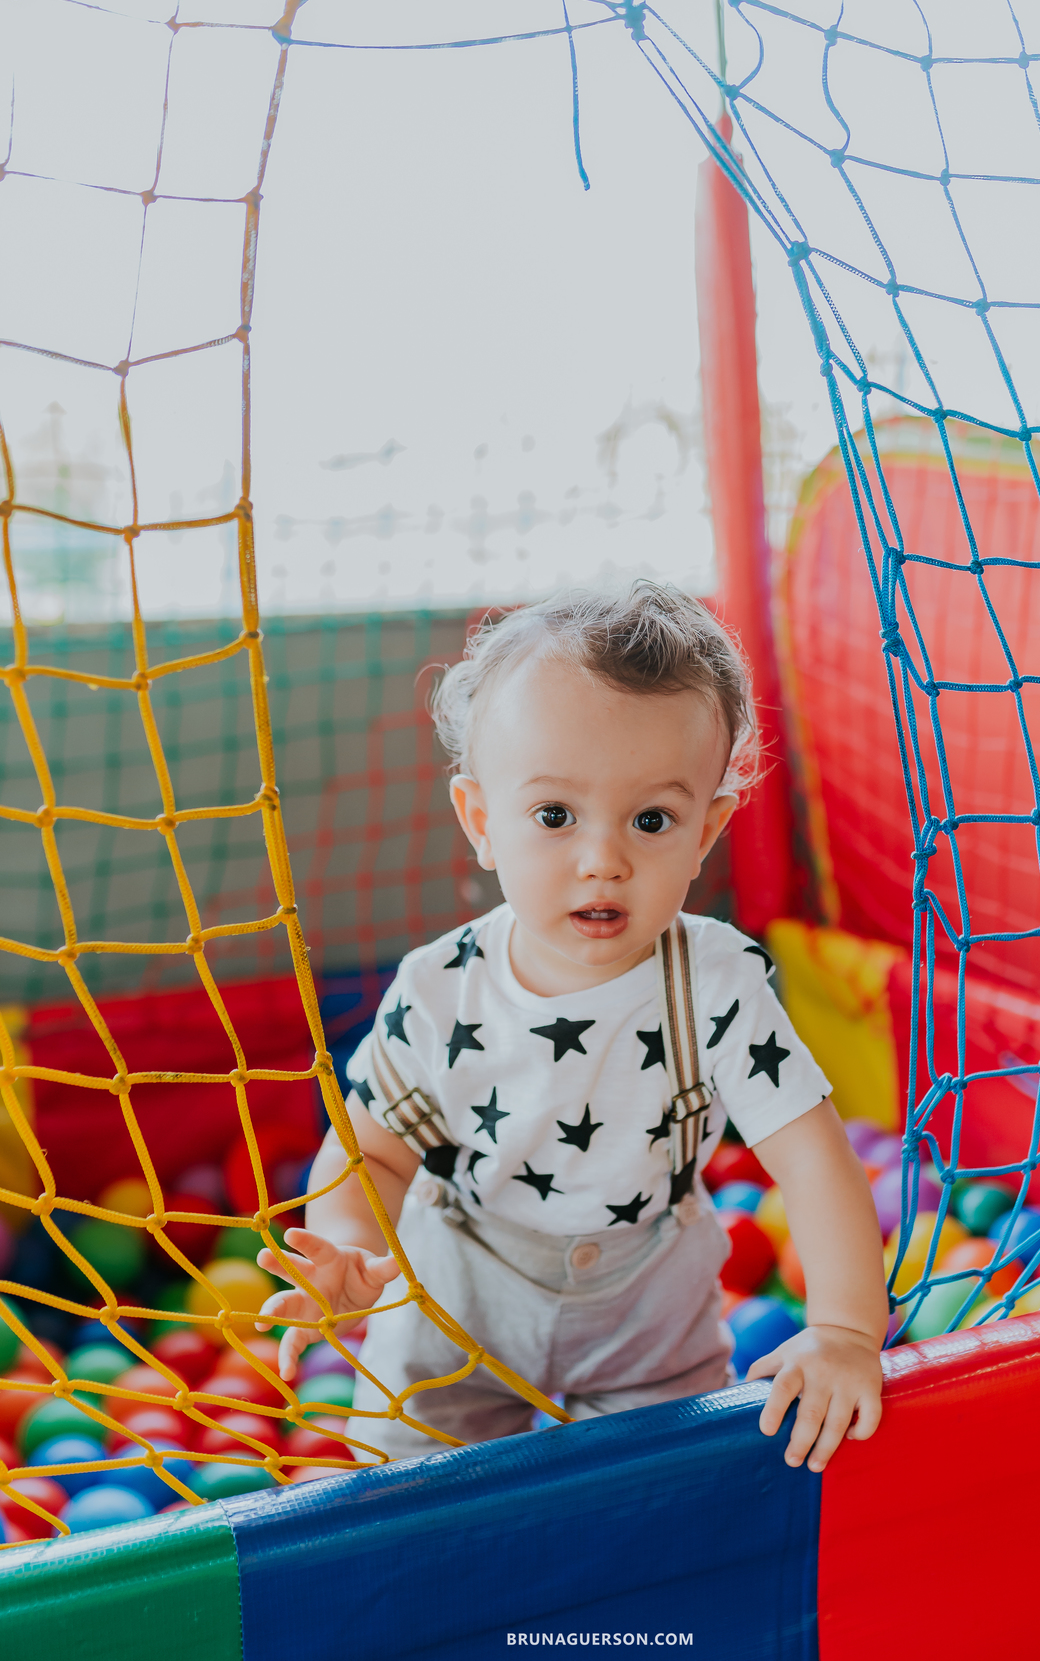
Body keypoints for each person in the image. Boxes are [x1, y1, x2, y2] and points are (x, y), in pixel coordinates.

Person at [258, 582, 887, 1471]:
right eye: (555, 817)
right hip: (456, 1292)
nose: (604, 860)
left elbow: (816, 1161)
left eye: (652, 820)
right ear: (482, 822)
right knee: (406, 1509)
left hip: (646, 1305)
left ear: (707, 831)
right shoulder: (440, 990)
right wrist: (355, 1252)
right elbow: (372, 1153)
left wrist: (846, 1331)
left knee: (662, 1502)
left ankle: (615, 1624)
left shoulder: (713, 980)